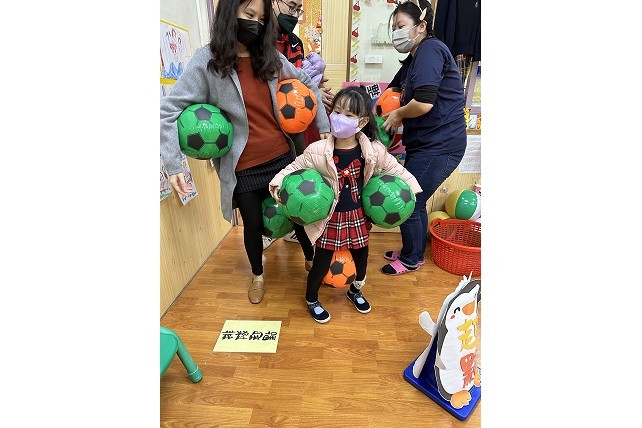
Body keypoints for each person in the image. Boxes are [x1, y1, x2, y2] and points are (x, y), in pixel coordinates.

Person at [160, 0, 331, 304]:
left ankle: (309, 259)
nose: (255, 24)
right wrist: (173, 164)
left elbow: (306, 81)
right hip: (244, 165)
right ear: (231, 13)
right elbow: (168, 110)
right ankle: (257, 274)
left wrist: (324, 126)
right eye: (249, 15)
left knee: (297, 213)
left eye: (262, 19)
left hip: (282, 157)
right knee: (252, 225)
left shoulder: (270, 57)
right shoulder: (208, 61)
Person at [269, 87, 422, 323]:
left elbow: (394, 168)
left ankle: (355, 291)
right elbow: (294, 167)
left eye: (349, 115)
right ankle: (311, 298)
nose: (340, 118)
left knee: (362, 261)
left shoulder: (373, 150)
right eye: (337, 112)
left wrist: (413, 187)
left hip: (358, 217)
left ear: (362, 122)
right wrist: (278, 182)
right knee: (321, 263)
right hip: (330, 218)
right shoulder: (318, 150)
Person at [379, 0, 467, 276]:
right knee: (414, 200)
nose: (396, 32)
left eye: (401, 26)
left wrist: (397, 115)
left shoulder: (430, 50)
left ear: (421, 26)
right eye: (394, 27)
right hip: (425, 144)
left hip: (441, 146)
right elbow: (390, 91)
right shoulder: (413, 59)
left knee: (410, 200)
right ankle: (411, 250)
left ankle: (411, 258)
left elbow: (424, 103)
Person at [262, 0, 335, 248]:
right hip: (267, 122)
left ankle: (294, 225)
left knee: (296, 171)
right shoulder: (258, 39)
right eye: (291, 6)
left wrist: (316, 91)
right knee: (267, 176)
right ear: (273, 2)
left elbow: (300, 81)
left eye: (298, 10)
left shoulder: (295, 43)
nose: (294, 14)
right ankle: (268, 228)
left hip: (296, 125)